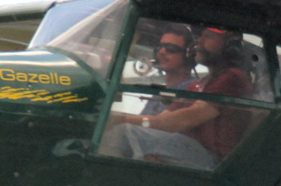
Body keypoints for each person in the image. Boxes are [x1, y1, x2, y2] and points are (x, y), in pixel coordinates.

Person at [106, 26, 254, 169]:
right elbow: (163, 120)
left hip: (212, 160)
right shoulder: (197, 85)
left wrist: (121, 119)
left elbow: (178, 122)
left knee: (125, 131)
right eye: (199, 36)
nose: (199, 42)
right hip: (188, 150)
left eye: (208, 36)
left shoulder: (231, 78)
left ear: (229, 46)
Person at [140, 28, 198, 115]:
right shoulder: (161, 93)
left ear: (188, 55)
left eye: (170, 48)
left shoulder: (193, 90)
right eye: (160, 47)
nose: (161, 52)